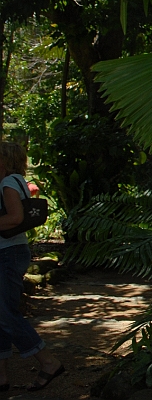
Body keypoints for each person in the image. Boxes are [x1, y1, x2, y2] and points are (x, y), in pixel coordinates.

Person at [0, 141, 64, 392]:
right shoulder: (16, 181)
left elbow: (15, 217)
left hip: (7, 255)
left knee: (6, 314)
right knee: (2, 313)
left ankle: (48, 362)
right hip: (13, 252)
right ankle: (2, 376)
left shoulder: (7, 184)